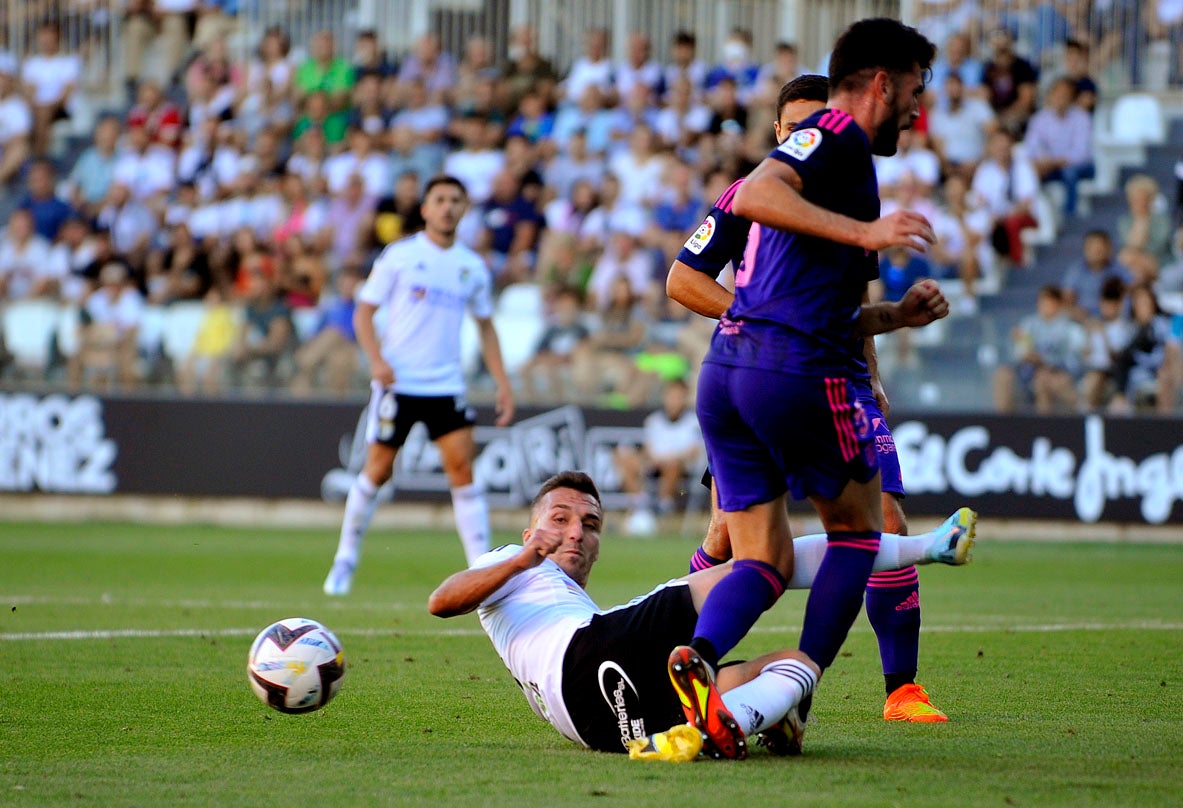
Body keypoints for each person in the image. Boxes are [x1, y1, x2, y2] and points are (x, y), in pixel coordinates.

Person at [667, 19, 941, 759]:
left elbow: (822, 302)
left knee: (759, 555)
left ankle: (697, 653)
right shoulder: (840, 136)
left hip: (726, 373)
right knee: (859, 530)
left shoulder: (842, 163)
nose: (921, 106)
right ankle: (793, 685)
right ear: (882, 81)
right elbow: (758, 191)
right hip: (793, 373)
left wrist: (894, 315)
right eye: (917, 88)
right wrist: (867, 235)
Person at [427, 471, 976, 760]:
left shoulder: (568, 605)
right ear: (530, 531)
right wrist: (526, 555)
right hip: (588, 657)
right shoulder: (514, 562)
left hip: (606, 728)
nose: (574, 531)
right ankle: (930, 546)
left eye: (589, 524)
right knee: (761, 562)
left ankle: (729, 723)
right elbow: (443, 600)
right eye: (560, 518)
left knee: (785, 665)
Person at [323, 176, 515, 596]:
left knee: (463, 473)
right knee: (377, 471)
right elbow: (363, 313)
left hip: (445, 385)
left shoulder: (471, 266)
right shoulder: (400, 256)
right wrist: (376, 361)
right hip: (400, 383)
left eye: (455, 201)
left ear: (464, 210)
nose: (447, 207)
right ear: (425, 209)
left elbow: (486, 327)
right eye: (439, 199)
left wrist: (502, 382)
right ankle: (345, 558)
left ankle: (480, 573)